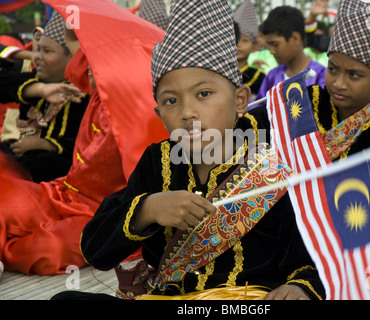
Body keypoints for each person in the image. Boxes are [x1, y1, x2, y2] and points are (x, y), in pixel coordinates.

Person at [75, 0, 325, 301]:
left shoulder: (274, 162)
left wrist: (300, 286)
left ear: (240, 100)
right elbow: (94, 250)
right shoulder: (158, 162)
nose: (187, 113)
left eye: (203, 94)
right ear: (158, 114)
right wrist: (148, 209)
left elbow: (316, 252)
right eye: (171, 101)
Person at [0, 0, 167, 276]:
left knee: (43, 248)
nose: (88, 64)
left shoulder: (135, 105)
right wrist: (79, 16)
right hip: (62, 192)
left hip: (101, 214)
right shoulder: (93, 92)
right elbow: (76, 60)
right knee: (6, 199)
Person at [254, 0, 370, 280]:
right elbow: (260, 132)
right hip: (295, 211)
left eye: (354, 75)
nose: (338, 83)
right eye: (334, 68)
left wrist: (314, 190)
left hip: (353, 219)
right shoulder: (308, 100)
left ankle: (309, 280)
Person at [0, 12, 90, 183]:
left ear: (71, 57)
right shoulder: (33, 79)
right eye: (38, 49)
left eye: (47, 51)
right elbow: (4, 84)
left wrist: (45, 144)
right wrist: (40, 89)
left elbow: (89, 147)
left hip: (61, 167)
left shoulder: (83, 92)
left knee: (43, 163)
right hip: (27, 154)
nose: (37, 57)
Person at [251, 5, 326, 110]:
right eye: (268, 46)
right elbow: (258, 111)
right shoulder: (272, 77)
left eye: (275, 44)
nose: (271, 51)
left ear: (295, 38)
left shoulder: (321, 75)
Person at [234, 0, 265, 98]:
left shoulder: (258, 76)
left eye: (245, 40)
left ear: (255, 46)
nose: (238, 44)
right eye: (235, 39)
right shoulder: (219, 72)